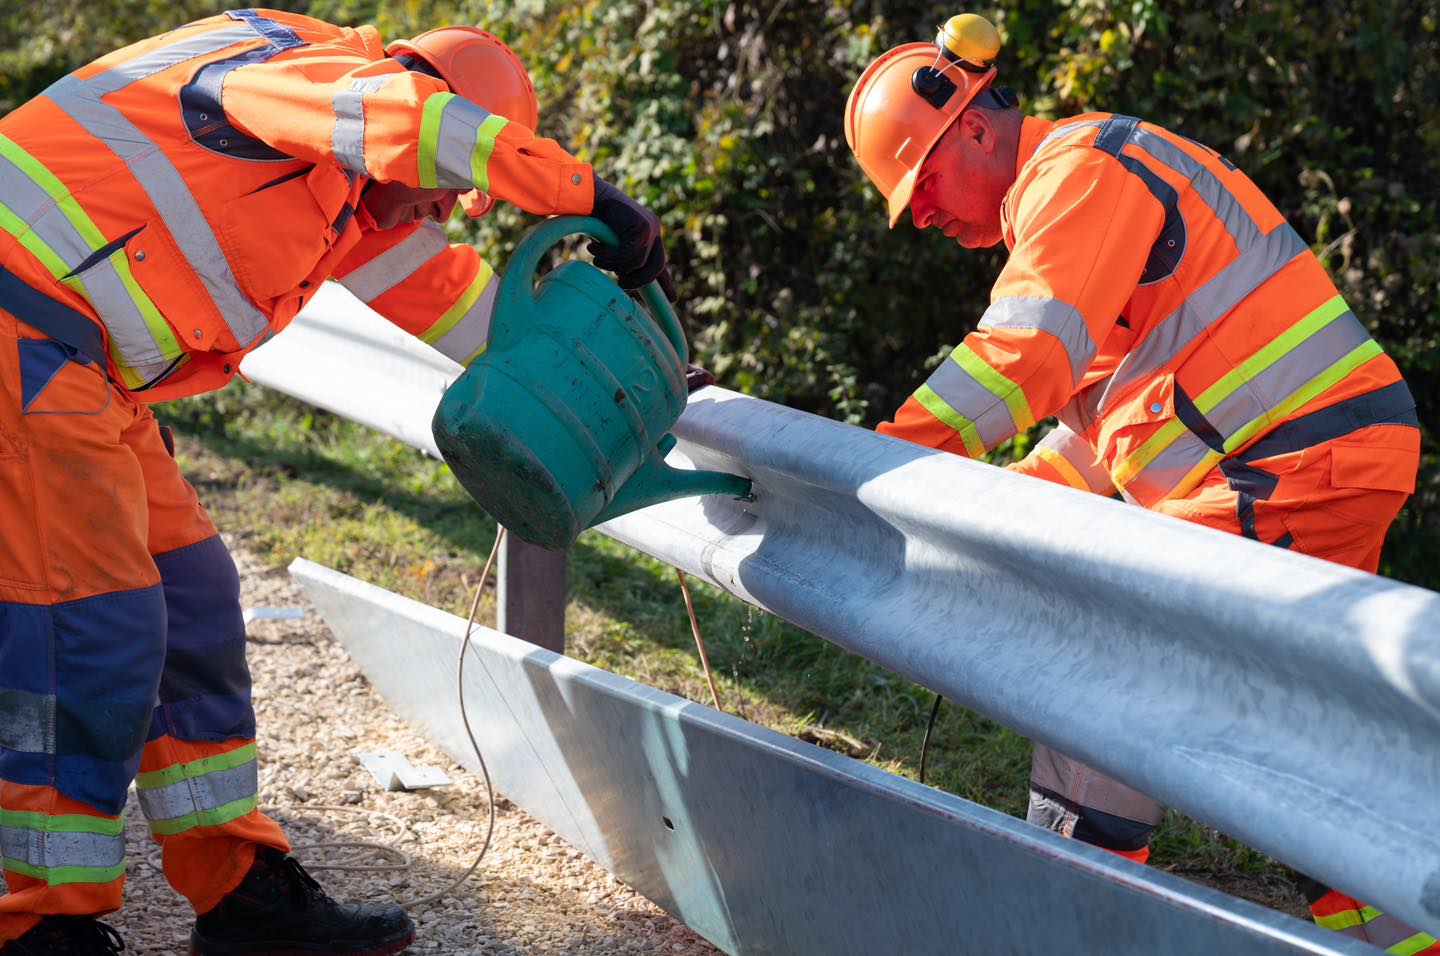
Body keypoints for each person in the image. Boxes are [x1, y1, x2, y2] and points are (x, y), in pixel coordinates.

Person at [0, 10, 670, 955]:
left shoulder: (358, 197)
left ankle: (238, 895)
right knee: (85, 630)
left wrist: (627, 391)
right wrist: (586, 191)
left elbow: (481, 322)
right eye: (442, 192)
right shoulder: (312, 82)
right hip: (20, 334)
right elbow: (410, 121)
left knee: (193, 602)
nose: (438, 214)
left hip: (77, 364)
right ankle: (42, 927)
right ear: (425, 117)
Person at [845, 13, 1433, 955]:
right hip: (1306, 458)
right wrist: (985, 512)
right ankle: (1409, 933)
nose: (919, 214)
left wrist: (876, 461)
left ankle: (1066, 925)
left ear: (974, 127)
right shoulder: (1080, 203)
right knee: (1288, 736)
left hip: (1285, 465)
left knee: (1105, 678)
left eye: (919, 184)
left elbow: (1022, 357)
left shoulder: (1076, 174)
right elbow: (1100, 442)